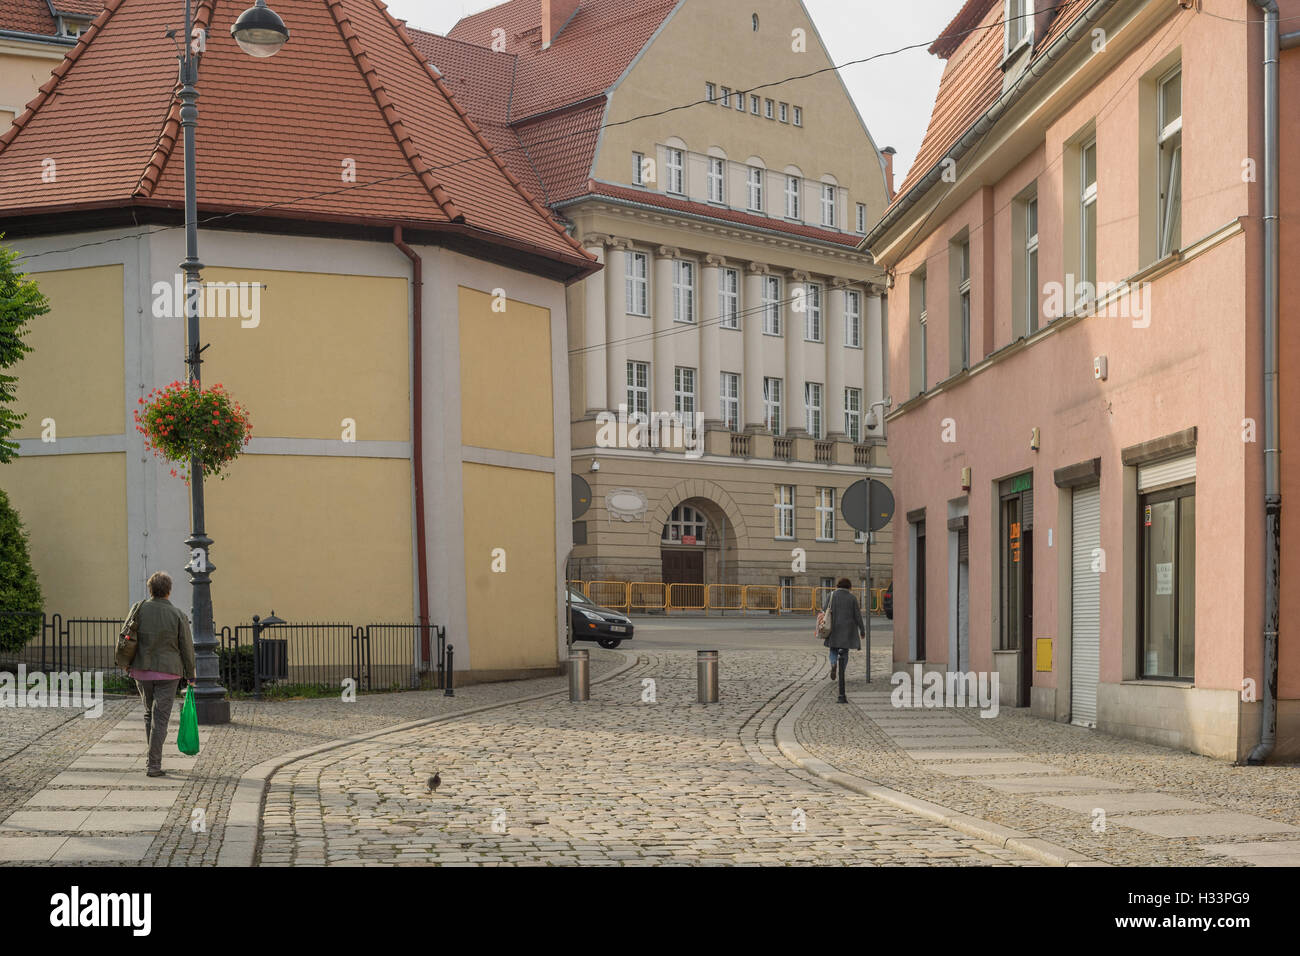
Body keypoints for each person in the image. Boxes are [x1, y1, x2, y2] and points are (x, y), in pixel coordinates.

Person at [120, 571, 196, 777]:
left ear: (150, 589)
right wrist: (190, 674)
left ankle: (152, 758)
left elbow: (126, 635)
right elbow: (187, 647)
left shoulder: (139, 609)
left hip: (142, 671)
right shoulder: (178, 615)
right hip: (168, 673)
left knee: (148, 714)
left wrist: (125, 662)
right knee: (160, 719)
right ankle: (154, 765)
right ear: (169, 591)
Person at [823, 578, 866, 688]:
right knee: (845, 652)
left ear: (838, 585)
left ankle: (833, 663)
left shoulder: (831, 595)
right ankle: (841, 672)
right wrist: (862, 630)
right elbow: (858, 616)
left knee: (833, 649)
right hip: (848, 630)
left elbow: (824, 609)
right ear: (849, 587)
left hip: (833, 628)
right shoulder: (852, 598)